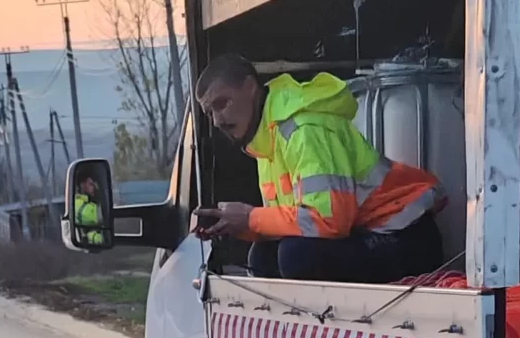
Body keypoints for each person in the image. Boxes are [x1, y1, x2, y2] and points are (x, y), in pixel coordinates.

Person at [191, 53, 446, 282]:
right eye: (209, 113)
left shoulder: (304, 129)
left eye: (222, 103)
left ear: (249, 87)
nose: (217, 121)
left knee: (296, 256)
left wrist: (251, 217)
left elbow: (329, 221)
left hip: (406, 237)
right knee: (263, 257)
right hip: (364, 234)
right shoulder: (267, 139)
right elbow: (294, 222)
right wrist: (237, 226)